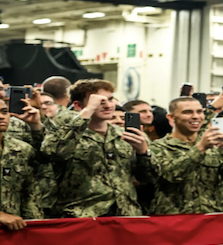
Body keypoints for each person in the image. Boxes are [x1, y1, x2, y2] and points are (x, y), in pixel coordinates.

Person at [42, 79, 153, 217]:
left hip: (125, 214)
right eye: (99, 101)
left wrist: (143, 152)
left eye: (110, 99)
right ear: (78, 105)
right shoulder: (66, 134)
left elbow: (149, 178)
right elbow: (54, 152)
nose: (108, 105)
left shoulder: (126, 134)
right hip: (82, 215)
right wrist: (87, 111)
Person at [149, 97, 223, 215]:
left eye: (199, 112)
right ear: (171, 117)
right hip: (173, 218)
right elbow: (170, 176)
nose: (195, 116)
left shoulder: (214, 145)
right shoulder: (158, 147)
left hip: (209, 215)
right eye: (187, 112)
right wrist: (200, 148)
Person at [0, 94, 41, 229]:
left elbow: (30, 192)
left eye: (4, 111)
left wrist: (35, 225)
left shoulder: (22, 149)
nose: (0, 116)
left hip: (15, 229)